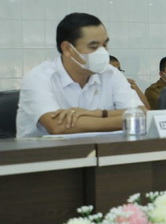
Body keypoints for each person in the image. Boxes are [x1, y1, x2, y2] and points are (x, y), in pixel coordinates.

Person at [16, 13, 144, 137]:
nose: (103, 52)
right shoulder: (39, 77)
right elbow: (57, 126)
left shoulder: (110, 73)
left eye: (105, 45)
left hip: (104, 149)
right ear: (68, 49)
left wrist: (96, 114)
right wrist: (123, 119)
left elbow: (142, 115)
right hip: (47, 151)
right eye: (93, 46)